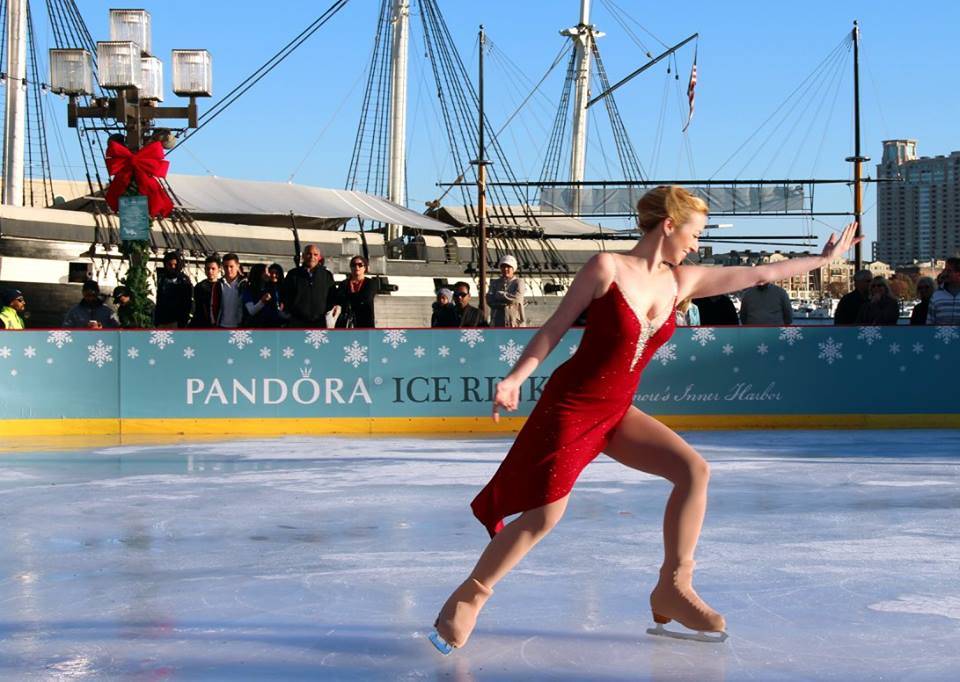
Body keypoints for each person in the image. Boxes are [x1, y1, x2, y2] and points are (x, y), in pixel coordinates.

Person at [428, 186, 861, 653]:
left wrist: (820, 261)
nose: (698, 243)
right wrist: (516, 378)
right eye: (695, 233)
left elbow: (759, 272)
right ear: (669, 225)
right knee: (545, 514)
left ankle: (672, 587)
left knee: (693, 471)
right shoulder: (606, 268)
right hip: (572, 406)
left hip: (617, 411)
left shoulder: (682, 281)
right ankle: (470, 596)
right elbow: (554, 329)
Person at [282, 244, 339, 327]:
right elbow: (286, 295)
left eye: (315, 254)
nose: (312, 257)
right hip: (297, 322)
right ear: (303, 256)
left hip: (319, 322)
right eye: (309, 254)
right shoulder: (293, 274)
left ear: (319, 257)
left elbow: (332, 296)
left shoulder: (326, 275)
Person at [333, 256, 376, 328]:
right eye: (354, 265)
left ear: (365, 268)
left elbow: (366, 298)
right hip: (346, 321)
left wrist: (348, 298)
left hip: (365, 321)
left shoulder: (370, 283)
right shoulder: (344, 283)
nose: (357, 267)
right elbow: (340, 299)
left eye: (360, 265)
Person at [153, 251, 193, 328]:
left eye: (175, 264)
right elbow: (159, 300)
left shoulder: (183, 280)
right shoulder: (163, 279)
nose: (173, 267)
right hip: (162, 320)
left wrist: (183, 321)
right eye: (170, 265)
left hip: (177, 321)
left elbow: (187, 302)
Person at [486, 255, 526, 327]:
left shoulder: (519, 282)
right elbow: (489, 300)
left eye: (508, 267)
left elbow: (517, 298)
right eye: (503, 267)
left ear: (513, 268)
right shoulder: (494, 283)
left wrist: (500, 295)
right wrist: (507, 302)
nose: (505, 269)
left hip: (515, 324)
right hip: (498, 323)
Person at [190, 255, 222, 328]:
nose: (210, 271)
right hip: (203, 324)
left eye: (213, 269)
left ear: (219, 269)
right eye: (208, 269)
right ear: (204, 269)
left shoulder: (222, 286)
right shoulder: (200, 287)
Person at [927, 257, 960, 325]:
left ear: (958, 273)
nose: (945, 273)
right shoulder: (936, 295)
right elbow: (929, 322)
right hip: (940, 335)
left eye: (949, 271)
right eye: (945, 270)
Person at [217, 253, 245, 329]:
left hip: (238, 326)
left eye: (231, 266)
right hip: (221, 325)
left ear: (237, 266)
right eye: (226, 267)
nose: (228, 269)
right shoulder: (219, 284)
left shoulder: (244, 284)